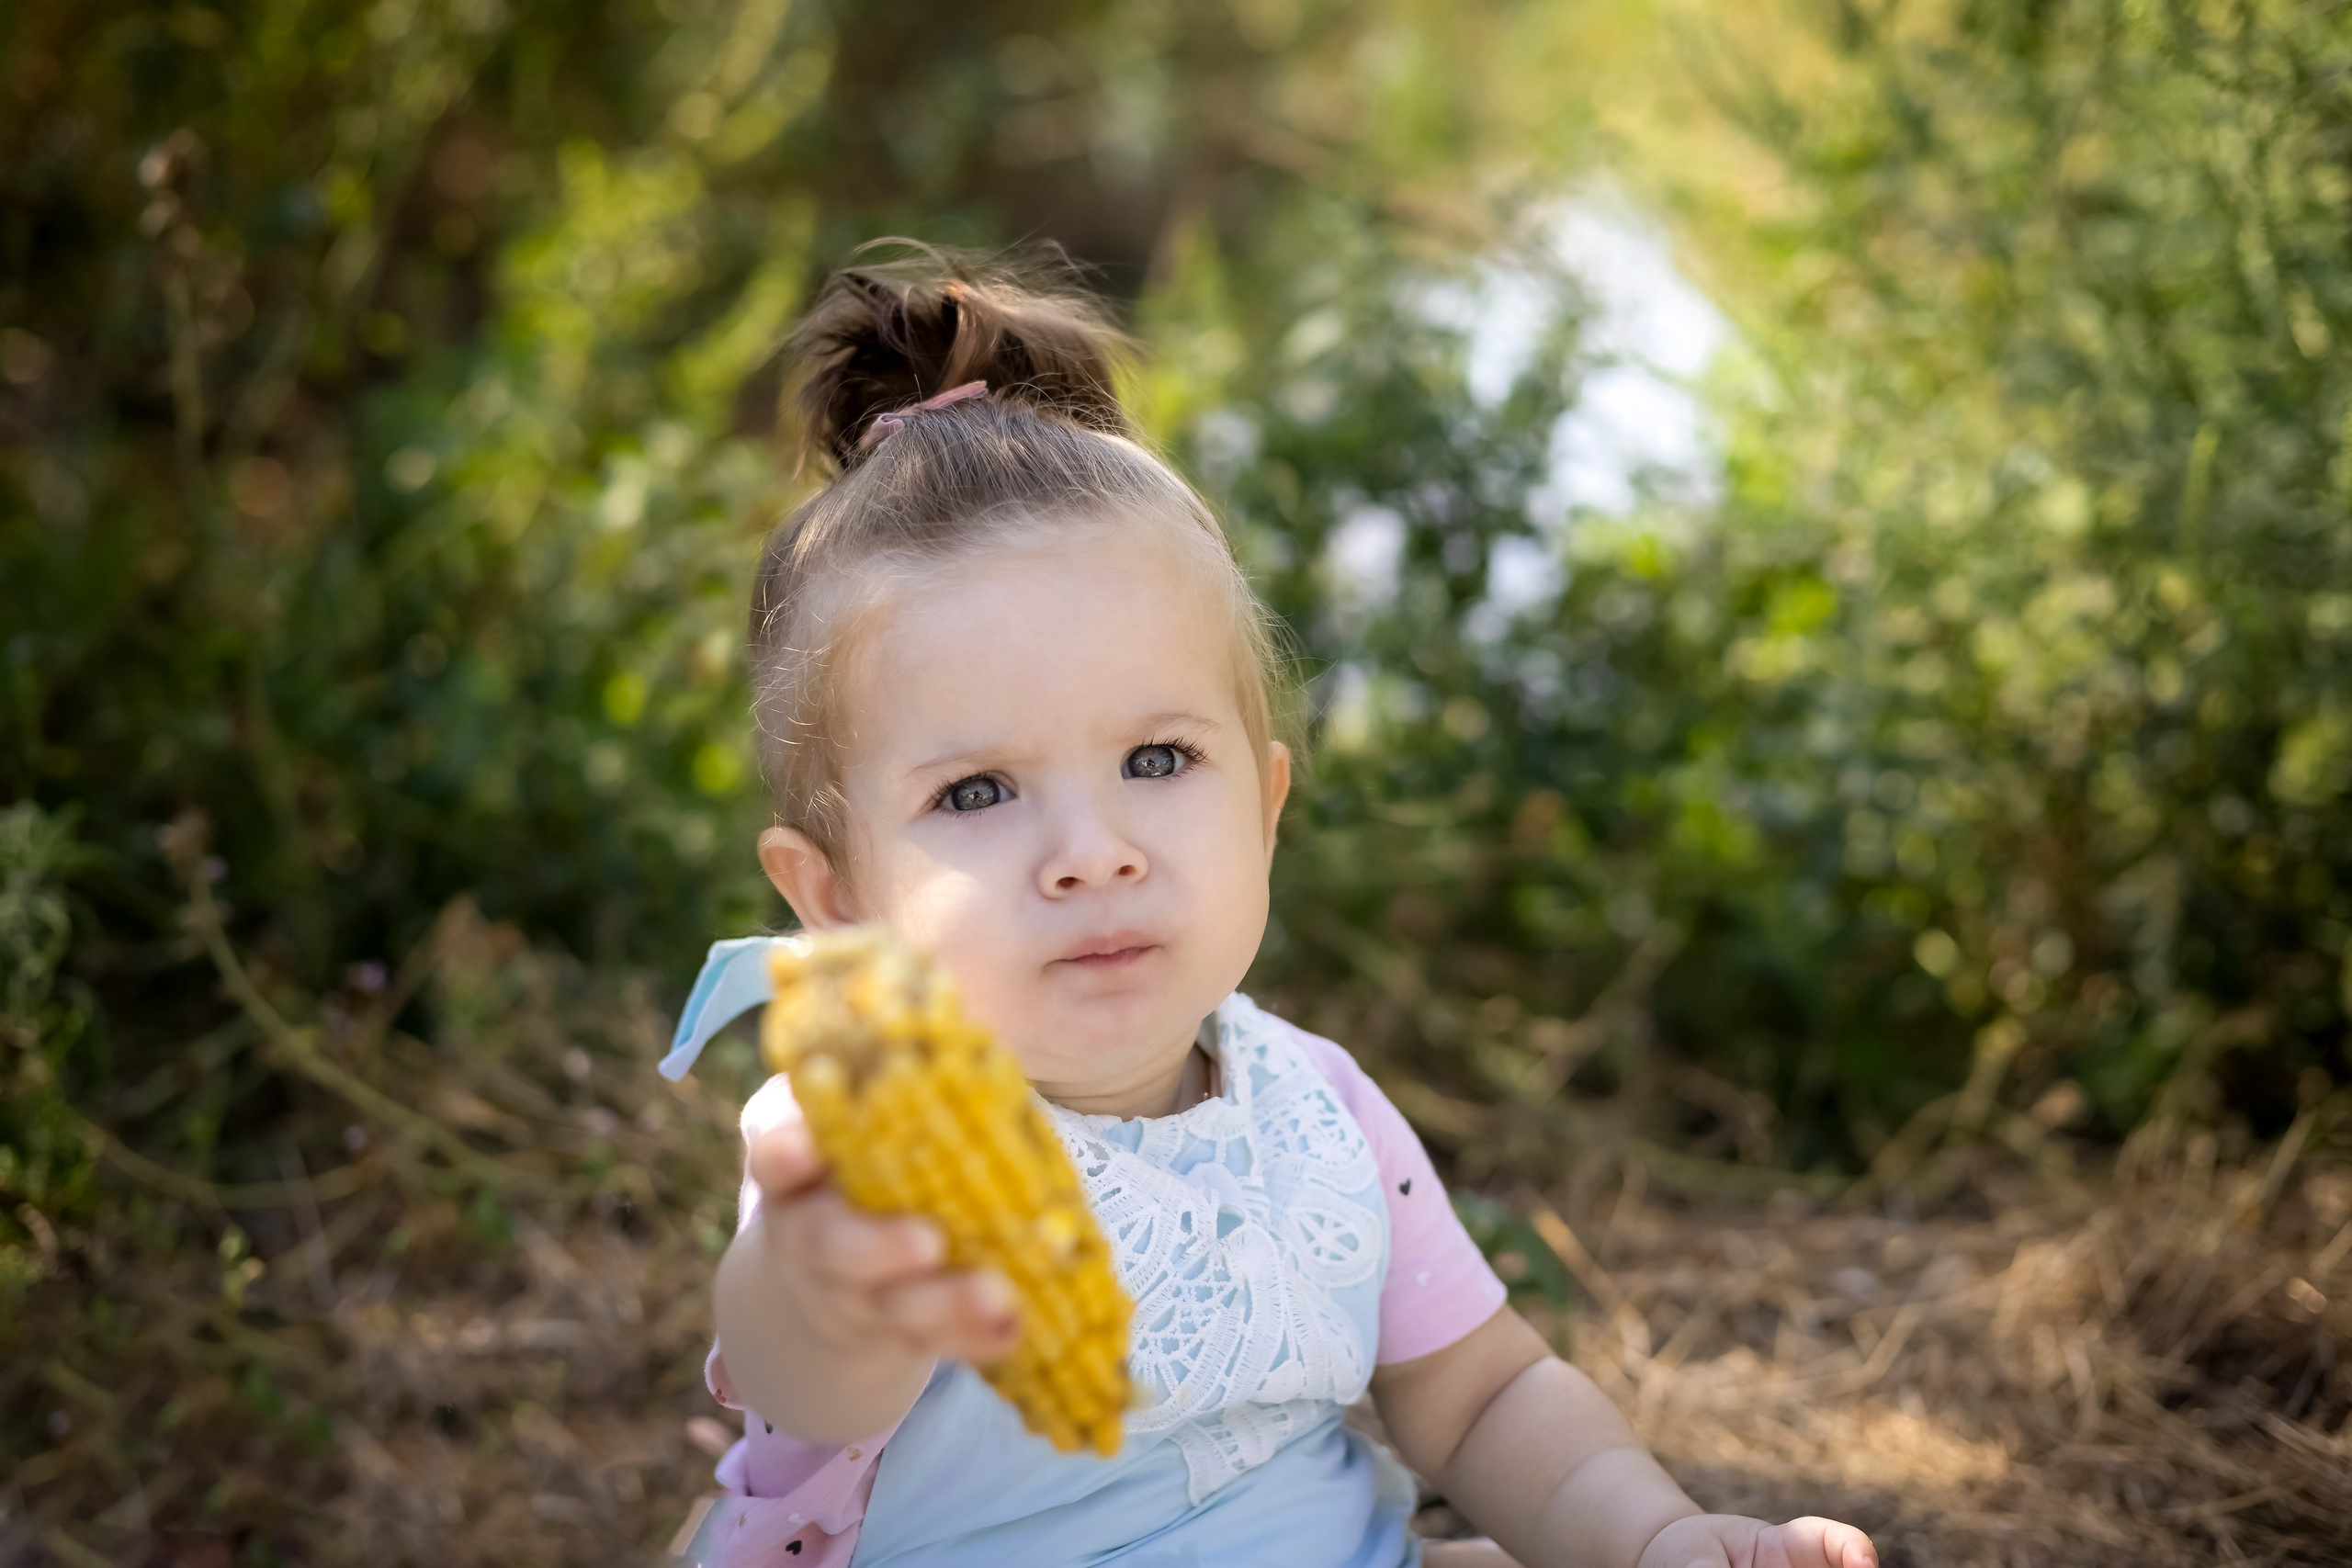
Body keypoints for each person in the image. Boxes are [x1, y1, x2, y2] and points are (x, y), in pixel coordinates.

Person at [656, 243, 1878, 1568]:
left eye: (1157, 760)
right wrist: (831, 1284)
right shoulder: (884, 1133)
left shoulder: (1319, 1105)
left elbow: (1481, 1398)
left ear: (1267, 806)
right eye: (978, 792)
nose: (1093, 853)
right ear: (836, 901)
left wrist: (1652, 1538)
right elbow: (807, 1380)